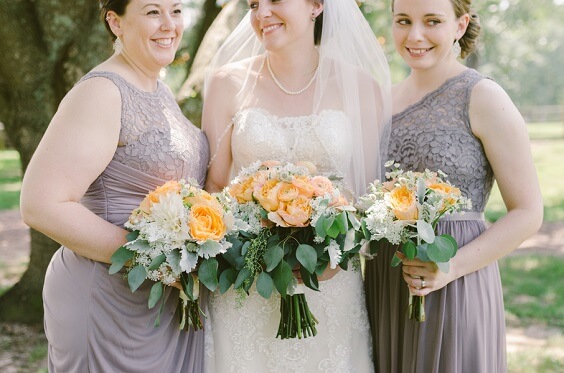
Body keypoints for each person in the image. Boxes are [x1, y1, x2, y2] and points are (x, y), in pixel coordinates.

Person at [19, 1, 209, 371]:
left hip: (159, 306)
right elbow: (41, 203)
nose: (168, 24)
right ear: (115, 22)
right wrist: (154, 260)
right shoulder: (103, 92)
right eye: (152, 12)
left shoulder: (160, 89)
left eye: (176, 10)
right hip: (107, 302)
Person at [201, 0, 391, 371]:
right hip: (247, 282)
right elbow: (215, 185)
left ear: (316, 5)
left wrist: (337, 253)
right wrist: (249, 248)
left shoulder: (360, 87)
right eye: (254, 4)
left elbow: (369, 196)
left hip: (330, 282)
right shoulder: (228, 83)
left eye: (274, 0)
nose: (261, 14)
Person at [364, 0, 544, 372]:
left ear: (460, 25)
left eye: (432, 21)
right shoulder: (379, 101)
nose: (415, 35)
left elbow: (528, 212)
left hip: (455, 280)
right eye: (403, 21)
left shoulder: (482, 97)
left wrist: (451, 267)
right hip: (387, 278)